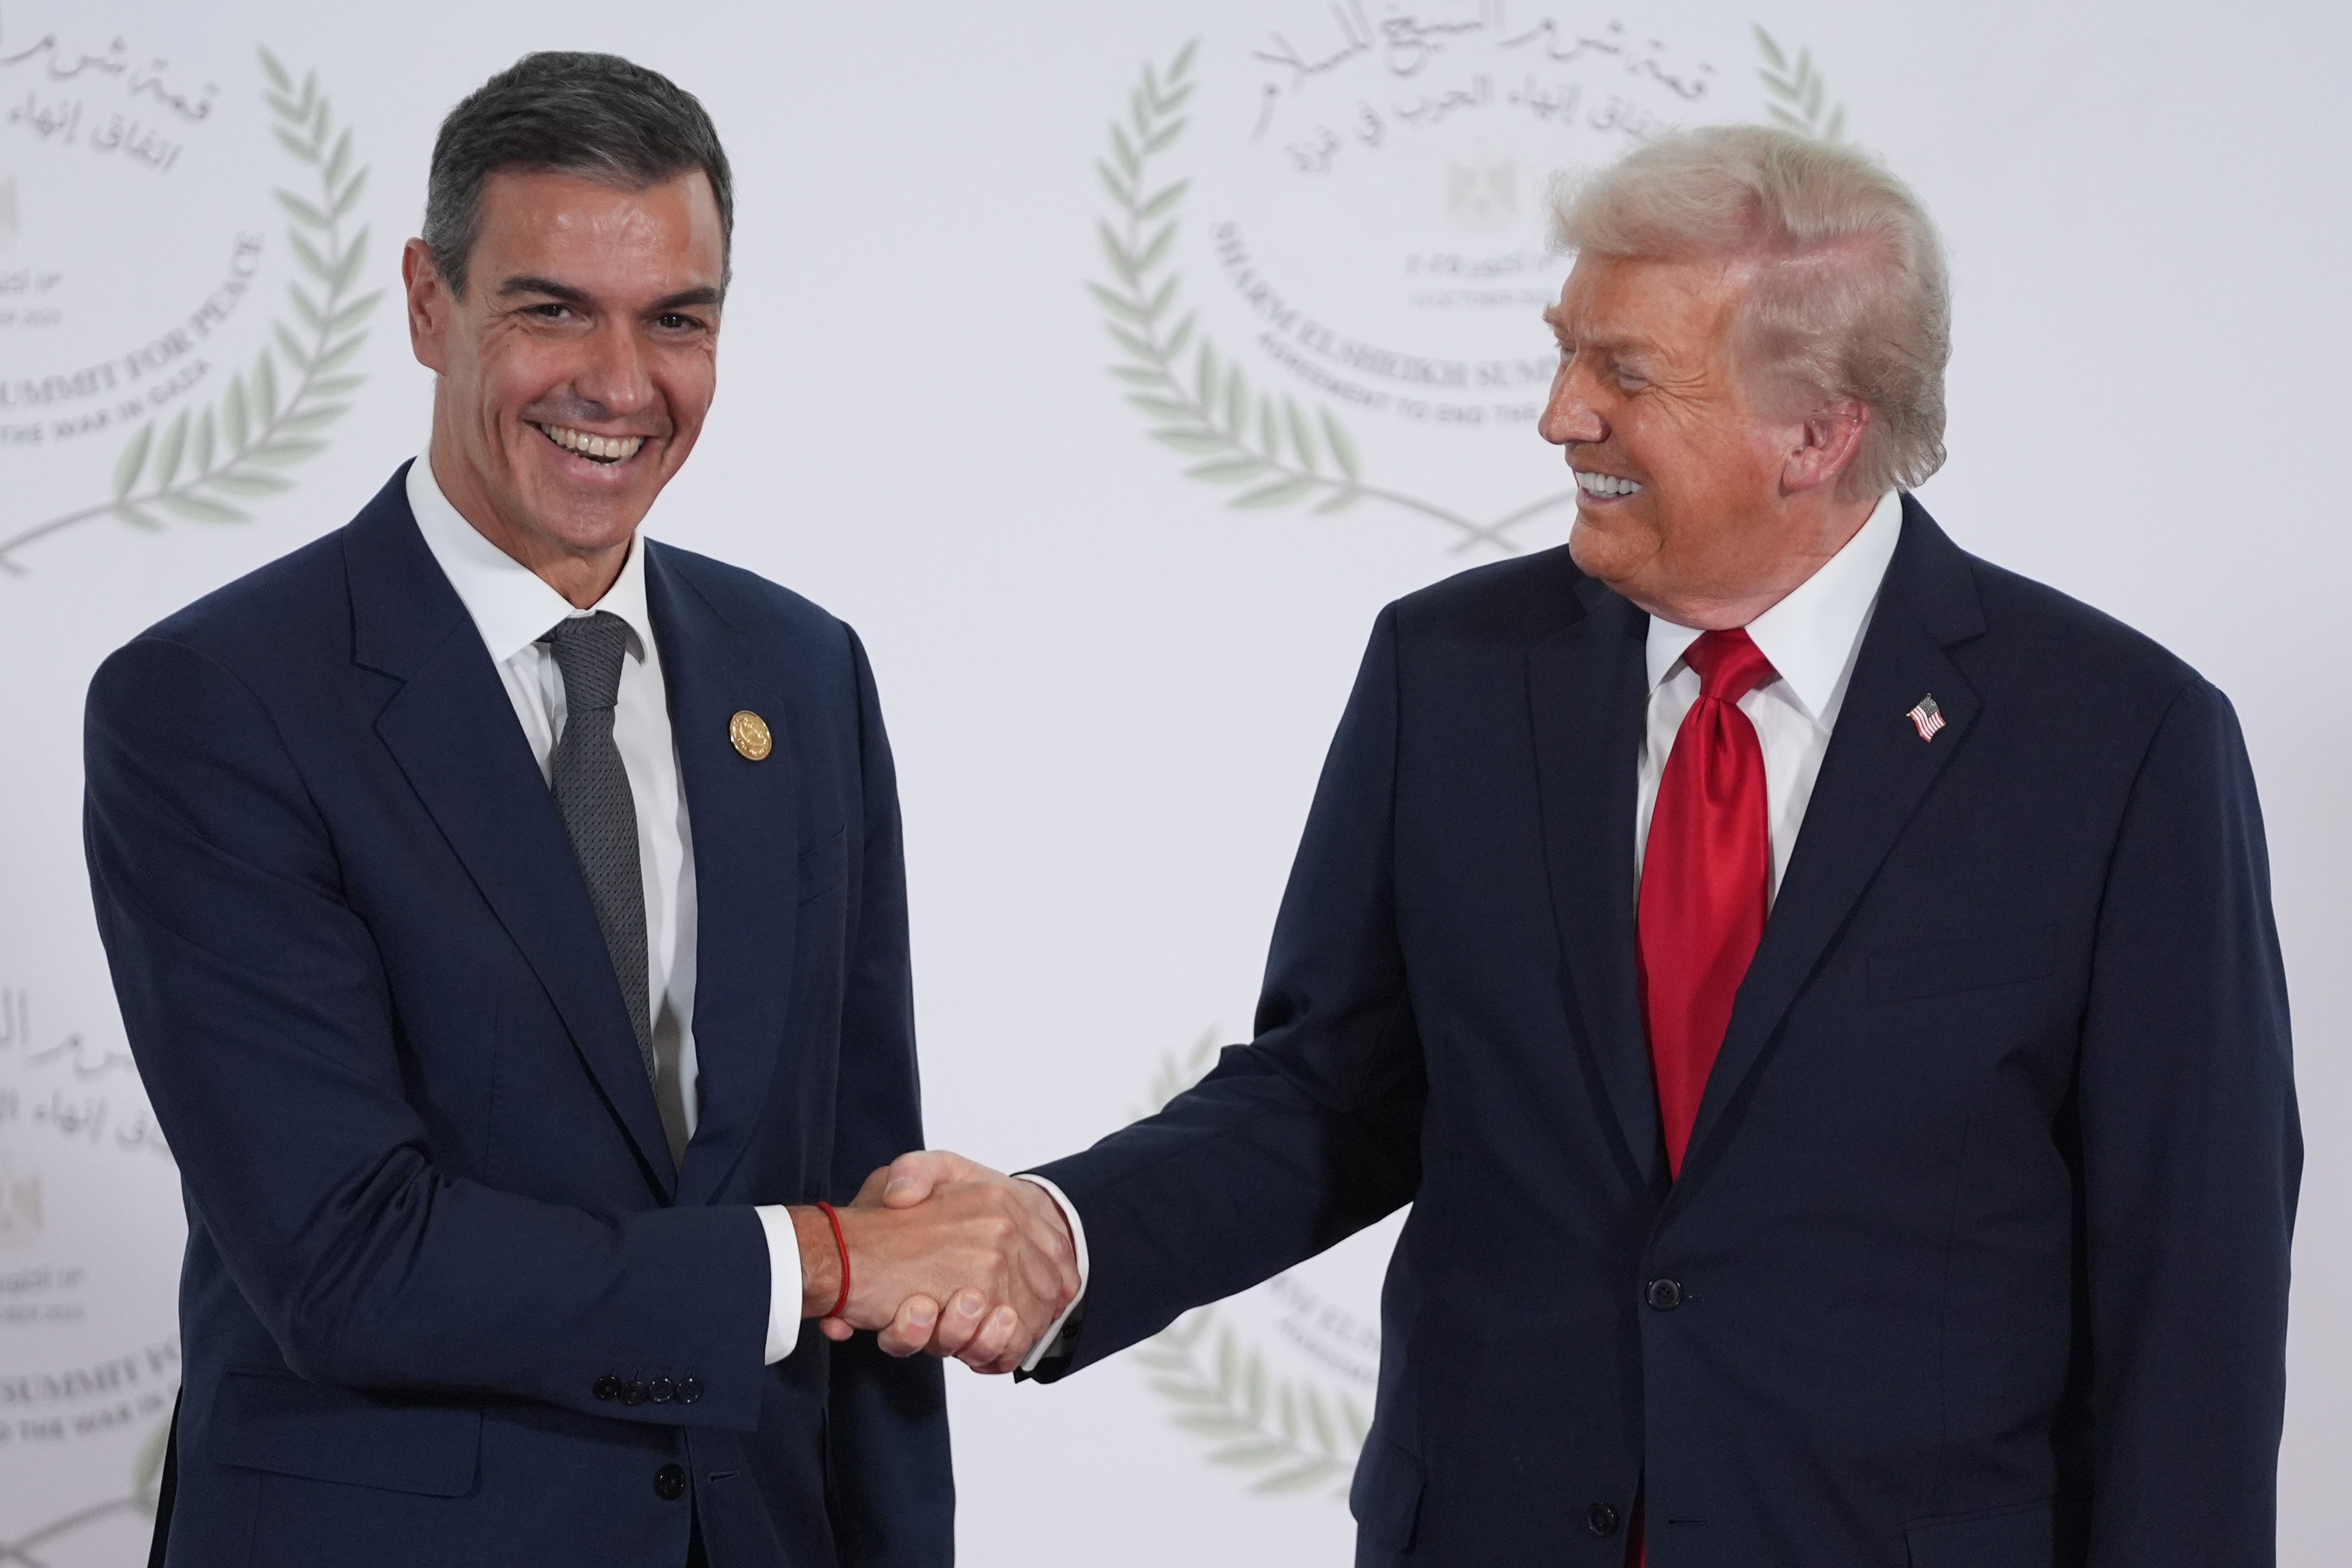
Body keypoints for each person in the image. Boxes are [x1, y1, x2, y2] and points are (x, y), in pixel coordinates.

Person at [881, 126, 2301, 1566]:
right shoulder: (1448, 672)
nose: (1560, 416)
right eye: (1566, 353)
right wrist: (1064, 1235)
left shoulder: (2118, 744)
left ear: (1817, 431)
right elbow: (1334, 1096)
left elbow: (2188, 1295)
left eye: (1623, 373)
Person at [84, 52, 1071, 1568]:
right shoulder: (216, 702)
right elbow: (350, 1260)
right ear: (428, 302)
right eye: (551, 309)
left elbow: (872, 1193)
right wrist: (813, 1262)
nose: (619, 386)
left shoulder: (800, 676)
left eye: (676, 320)